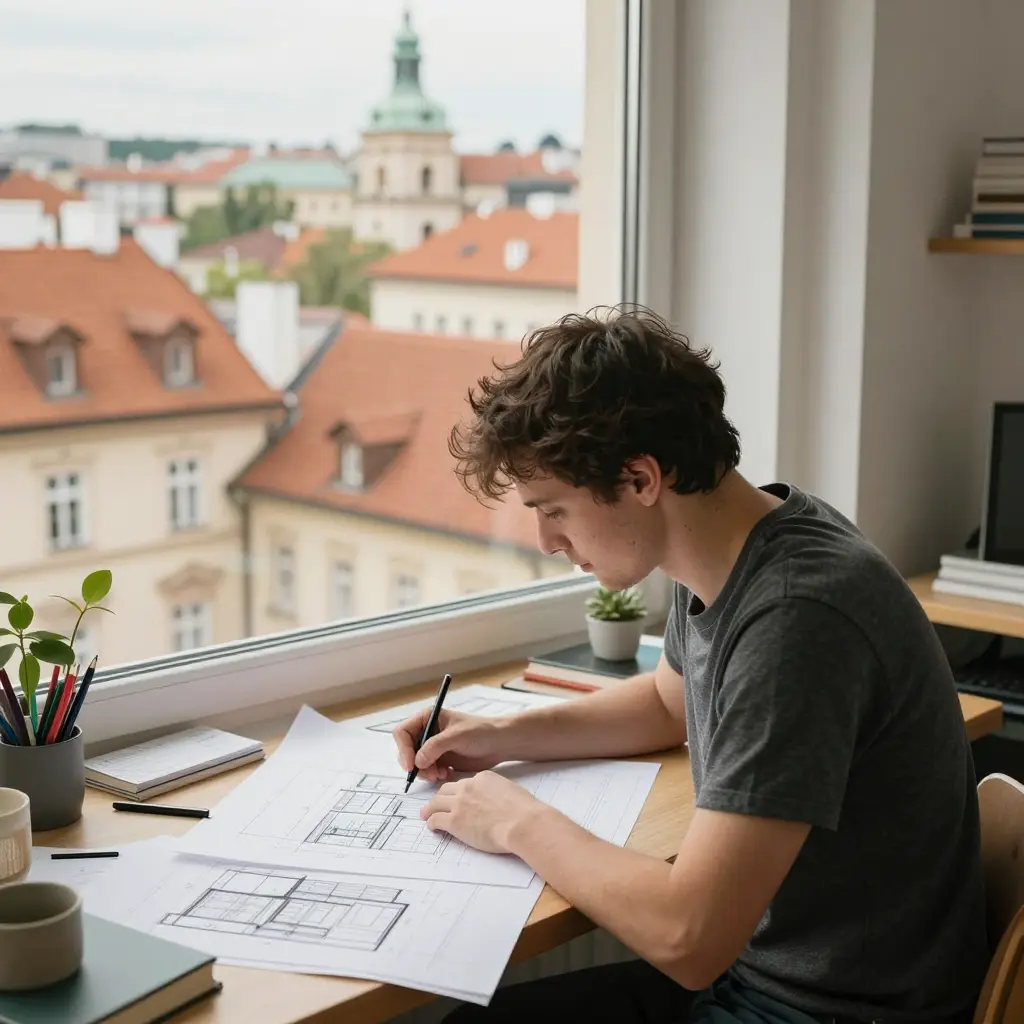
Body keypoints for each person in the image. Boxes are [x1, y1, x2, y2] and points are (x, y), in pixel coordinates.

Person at [391, 306, 988, 1024]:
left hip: (827, 1011)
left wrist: (519, 822)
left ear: (641, 478)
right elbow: (666, 705)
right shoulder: (732, 544)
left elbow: (689, 936)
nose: (547, 539)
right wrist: (495, 736)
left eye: (554, 509)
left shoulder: (798, 617)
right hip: (771, 984)